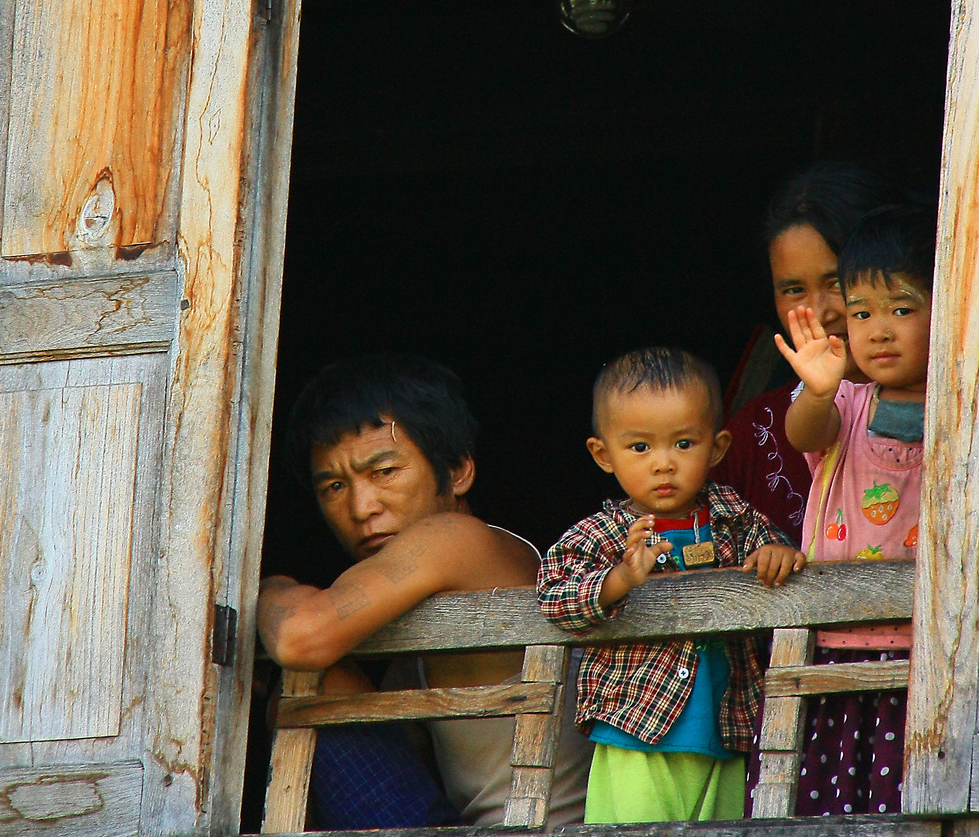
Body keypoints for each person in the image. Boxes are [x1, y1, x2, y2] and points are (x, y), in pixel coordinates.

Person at [257, 353, 593, 829]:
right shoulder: (412, 644)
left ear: (456, 471)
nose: (361, 506)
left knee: (319, 683)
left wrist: (265, 588)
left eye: (384, 471)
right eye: (334, 486)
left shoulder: (458, 539)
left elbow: (299, 636)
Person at [537, 347, 807, 824]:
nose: (663, 463)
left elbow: (778, 548)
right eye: (640, 447)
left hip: (725, 732)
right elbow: (555, 596)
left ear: (718, 448)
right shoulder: (605, 532)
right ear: (603, 455)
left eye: (684, 444)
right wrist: (620, 578)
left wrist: (778, 553)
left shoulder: (734, 518)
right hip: (634, 731)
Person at [774, 205, 934, 815]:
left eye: (902, 309)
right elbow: (802, 434)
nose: (880, 330)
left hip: (930, 647)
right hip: (838, 643)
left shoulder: (968, 394)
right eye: (862, 313)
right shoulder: (843, 398)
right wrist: (817, 387)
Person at [714, 162, 903, 540]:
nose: (821, 312)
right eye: (794, 290)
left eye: (836, 282)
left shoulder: (952, 410)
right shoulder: (752, 433)